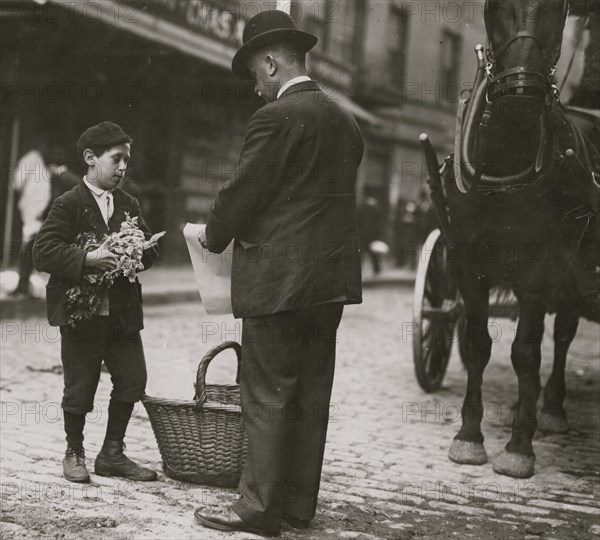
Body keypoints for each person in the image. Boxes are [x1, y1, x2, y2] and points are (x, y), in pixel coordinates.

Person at [194, 10, 364, 537]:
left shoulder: (276, 118)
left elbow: (246, 190)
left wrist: (212, 235)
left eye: (254, 76)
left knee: (266, 392)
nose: (256, 89)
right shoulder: (346, 120)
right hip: (329, 285)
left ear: (270, 62)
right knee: (312, 393)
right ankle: (295, 506)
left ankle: (256, 509)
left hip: (278, 281)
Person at [33, 121, 159, 484]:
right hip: (82, 313)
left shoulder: (129, 203)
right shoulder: (68, 203)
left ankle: (112, 453)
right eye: (116, 159)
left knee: (133, 379)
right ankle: (74, 451)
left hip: (120, 312)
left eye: (126, 162)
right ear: (90, 158)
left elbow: (151, 250)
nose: (123, 168)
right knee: (80, 385)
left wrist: (135, 251)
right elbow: (44, 252)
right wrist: (87, 259)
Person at [10, 138, 52, 297]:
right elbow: (17, 181)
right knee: (28, 247)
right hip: (31, 210)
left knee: (31, 247)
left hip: (38, 211)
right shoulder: (31, 159)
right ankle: (22, 286)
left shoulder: (42, 163)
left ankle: (24, 285)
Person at [357, 196, 384, 275]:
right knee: (374, 253)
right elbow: (379, 223)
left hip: (363, 234)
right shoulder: (376, 210)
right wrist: (379, 235)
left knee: (361, 253)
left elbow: (358, 221)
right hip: (373, 234)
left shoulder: (361, 208)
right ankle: (377, 269)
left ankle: (359, 268)